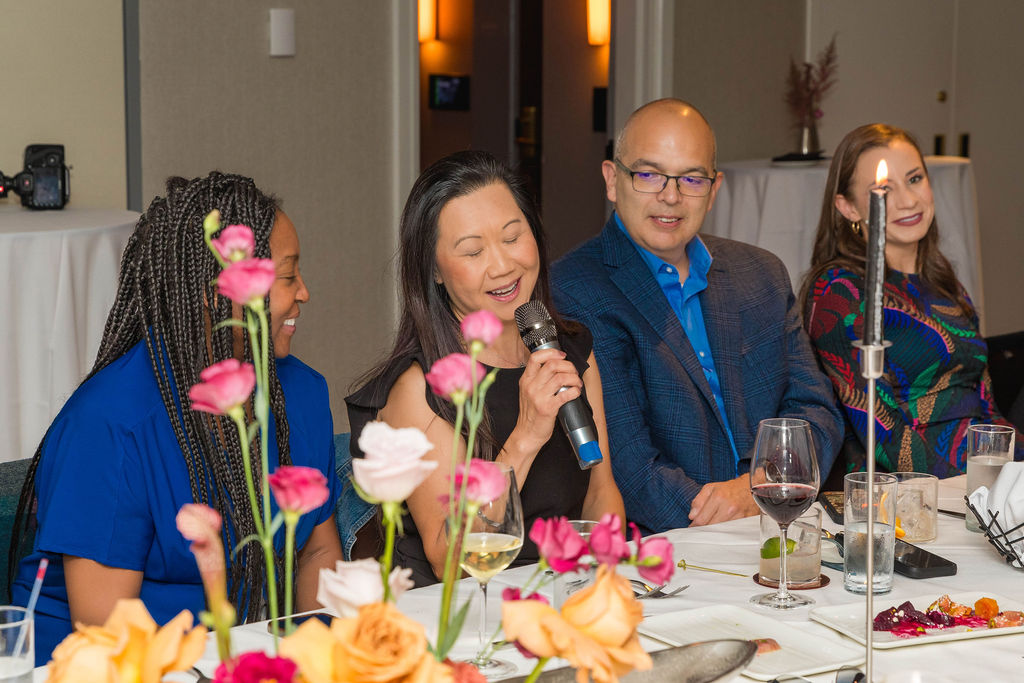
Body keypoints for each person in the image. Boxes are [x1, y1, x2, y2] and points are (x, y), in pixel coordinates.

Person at [9, 172, 343, 665]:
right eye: (288, 275)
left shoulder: (302, 393)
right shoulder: (110, 423)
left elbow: (317, 551)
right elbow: (111, 636)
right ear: (218, 292)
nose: (304, 294)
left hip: (240, 661)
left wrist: (313, 658)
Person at [550, 99, 843, 534]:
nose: (671, 195)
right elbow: (630, 468)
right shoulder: (574, 289)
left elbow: (817, 411)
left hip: (785, 519)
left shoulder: (761, 273)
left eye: (691, 178)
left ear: (714, 188)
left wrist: (758, 490)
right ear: (613, 180)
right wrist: (725, 522)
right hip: (671, 546)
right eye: (648, 174)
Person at [346, 151, 625, 587]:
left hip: (556, 597)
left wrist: (604, 586)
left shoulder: (568, 350)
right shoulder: (421, 389)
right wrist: (526, 437)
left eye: (513, 238)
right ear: (434, 271)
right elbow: (450, 561)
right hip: (458, 617)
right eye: (473, 251)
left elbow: (599, 492)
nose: (502, 266)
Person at [800, 123, 1024, 476]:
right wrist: (981, 489)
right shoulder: (839, 292)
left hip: (986, 483)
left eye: (915, 178)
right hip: (912, 495)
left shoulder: (944, 282)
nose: (908, 200)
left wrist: (1014, 470)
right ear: (848, 207)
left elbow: (987, 409)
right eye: (884, 189)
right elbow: (884, 436)